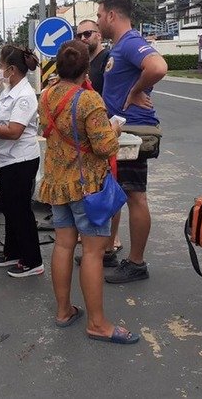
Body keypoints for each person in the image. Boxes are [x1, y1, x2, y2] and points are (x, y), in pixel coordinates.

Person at [39, 39, 139, 344]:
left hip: (57, 184)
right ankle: (97, 324)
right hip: (87, 188)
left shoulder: (46, 96)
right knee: (93, 253)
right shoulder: (88, 101)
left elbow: (47, 129)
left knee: (63, 246)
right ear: (86, 69)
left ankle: (63, 310)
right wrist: (116, 130)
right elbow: (104, 146)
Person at [97, 0, 168, 284]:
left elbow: (158, 67)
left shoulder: (130, 42)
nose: (99, 21)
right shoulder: (120, 46)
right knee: (117, 192)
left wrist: (138, 90)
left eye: (100, 16)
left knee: (135, 196)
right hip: (120, 133)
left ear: (112, 15)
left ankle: (136, 263)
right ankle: (108, 250)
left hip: (133, 133)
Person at [0, 45, 44, 278]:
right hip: (8, 159)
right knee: (9, 207)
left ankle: (32, 260)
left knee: (20, 211)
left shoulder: (25, 96)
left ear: (11, 68)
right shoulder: (10, 90)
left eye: (1, 66)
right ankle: (13, 252)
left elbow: (14, 131)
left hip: (22, 159)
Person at [73, 19, 123, 268]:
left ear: (99, 34)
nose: (83, 38)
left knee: (108, 189)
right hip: (86, 138)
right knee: (93, 191)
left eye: (88, 33)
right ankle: (98, 241)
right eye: (79, 35)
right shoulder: (83, 64)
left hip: (105, 130)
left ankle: (110, 243)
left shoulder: (108, 59)